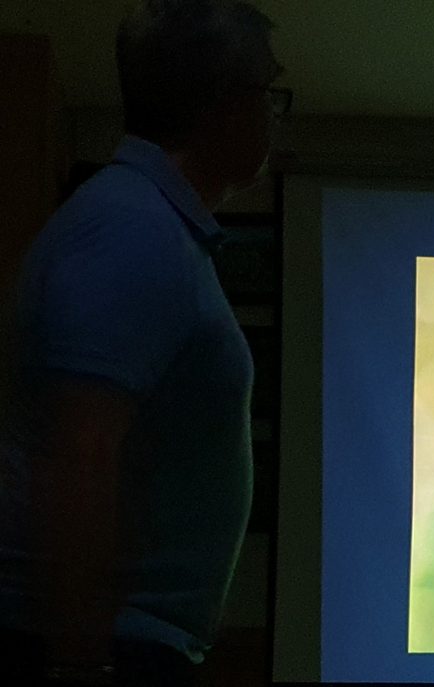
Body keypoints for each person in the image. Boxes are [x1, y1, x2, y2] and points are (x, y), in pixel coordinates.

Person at [0, 1, 288, 684]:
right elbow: (81, 454)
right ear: (224, 105)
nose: (276, 118)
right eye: (270, 96)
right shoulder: (132, 230)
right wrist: (81, 661)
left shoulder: (149, 226)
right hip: (101, 648)